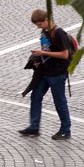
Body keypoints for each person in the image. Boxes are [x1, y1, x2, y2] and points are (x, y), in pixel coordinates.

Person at [20, 9, 73, 140]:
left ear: (46, 20)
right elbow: (47, 49)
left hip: (57, 74)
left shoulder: (59, 33)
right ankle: (34, 127)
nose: (38, 27)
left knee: (59, 102)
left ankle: (65, 130)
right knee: (35, 96)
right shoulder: (45, 32)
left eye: (39, 24)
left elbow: (65, 54)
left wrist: (43, 54)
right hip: (45, 72)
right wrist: (38, 60)